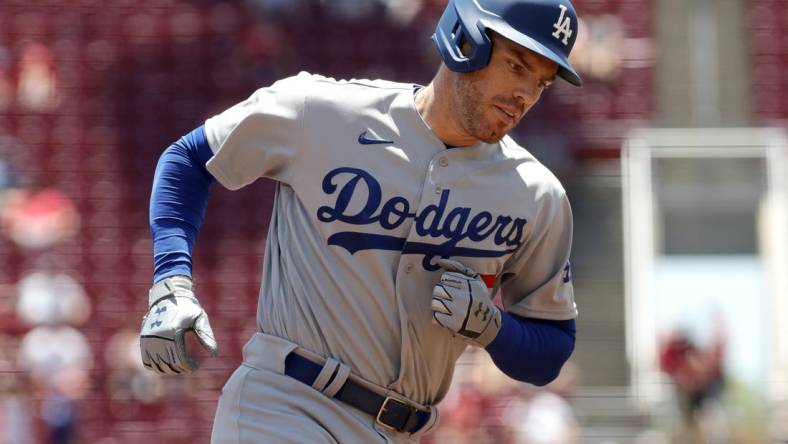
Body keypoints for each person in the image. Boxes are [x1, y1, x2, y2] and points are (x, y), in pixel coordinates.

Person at [139, 0, 582, 442]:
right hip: (285, 407)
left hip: (403, 431)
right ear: (466, 41)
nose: (527, 94)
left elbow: (551, 350)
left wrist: (492, 328)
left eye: (542, 82)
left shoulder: (536, 196)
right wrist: (171, 279)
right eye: (517, 65)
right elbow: (188, 158)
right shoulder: (320, 111)